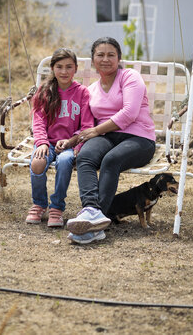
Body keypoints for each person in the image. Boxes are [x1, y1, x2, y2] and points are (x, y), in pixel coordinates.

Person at [67, 37, 156, 244]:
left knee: (111, 160)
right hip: (107, 136)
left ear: (119, 58)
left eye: (110, 55)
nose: (105, 59)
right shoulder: (91, 90)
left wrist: (96, 131)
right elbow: (86, 123)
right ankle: (90, 210)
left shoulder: (130, 77)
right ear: (93, 59)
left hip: (139, 138)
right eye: (100, 55)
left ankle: (97, 218)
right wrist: (75, 142)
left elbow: (129, 114)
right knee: (87, 156)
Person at [26, 48, 94, 227]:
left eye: (69, 67)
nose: (64, 71)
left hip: (70, 144)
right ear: (52, 68)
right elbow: (38, 121)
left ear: (76, 69)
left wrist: (76, 146)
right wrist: (41, 143)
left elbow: (87, 126)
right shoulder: (44, 91)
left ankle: (57, 206)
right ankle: (39, 203)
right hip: (47, 143)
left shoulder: (82, 93)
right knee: (38, 162)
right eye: (59, 67)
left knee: (64, 162)